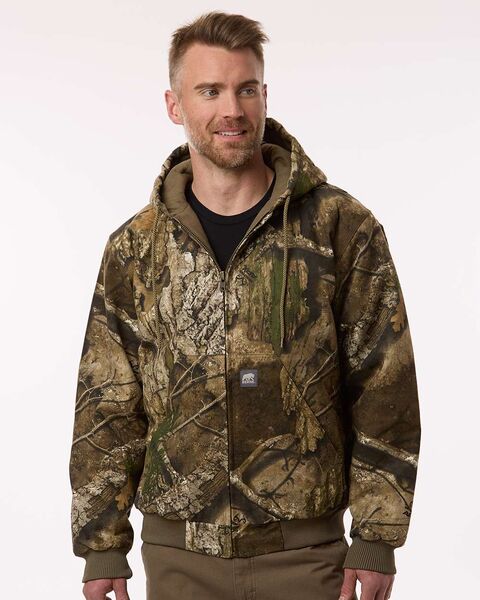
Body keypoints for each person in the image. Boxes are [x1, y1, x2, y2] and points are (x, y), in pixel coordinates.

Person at [69, 10, 421, 600]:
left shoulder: (341, 228)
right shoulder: (135, 248)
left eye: (246, 89)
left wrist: (377, 536)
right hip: (178, 558)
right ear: (175, 105)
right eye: (210, 91)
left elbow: (385, 385)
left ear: (264, 96)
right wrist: (102, 544)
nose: (231, 109)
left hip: (307, 556)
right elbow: (107, 401)